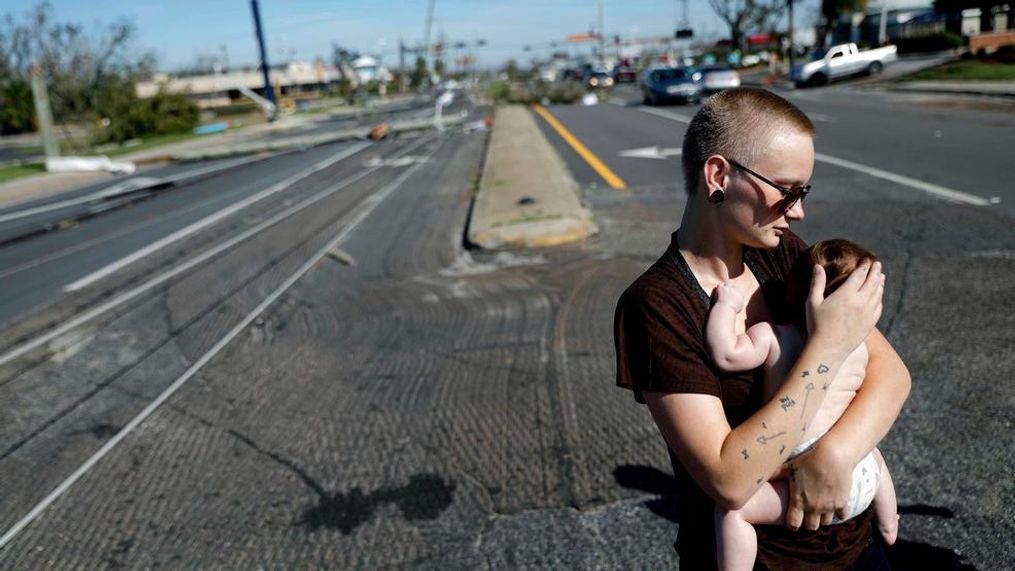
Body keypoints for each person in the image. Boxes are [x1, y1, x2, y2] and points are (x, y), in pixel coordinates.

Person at [614, 87, 911, 569]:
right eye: (787, 190)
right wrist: (826, 348)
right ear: (719, 175)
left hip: (856, 547)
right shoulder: (656, 306)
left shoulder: (786, 254)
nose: (797, 211)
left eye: (804, 192)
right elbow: (730, 479)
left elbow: (893, 376)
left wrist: (835, 456)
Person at [706, 239, 900, 570]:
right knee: (875, 452)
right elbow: (893, 380)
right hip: (863, 478)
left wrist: (726, 305)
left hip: (803, 476)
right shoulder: (861, 348)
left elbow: (726, 354)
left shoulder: (773, 336)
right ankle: (889, 523)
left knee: (733, 510)